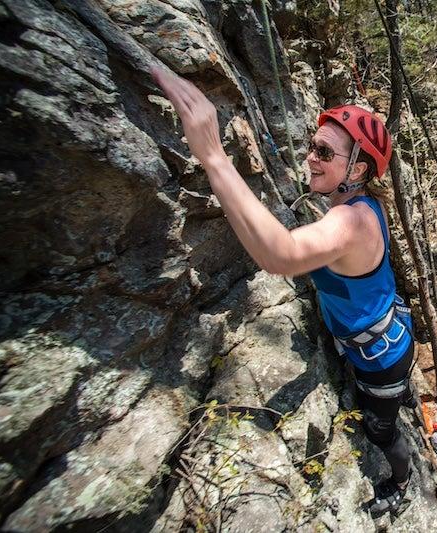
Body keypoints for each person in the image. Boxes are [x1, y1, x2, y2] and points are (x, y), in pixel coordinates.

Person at [151, 67, 414, 516]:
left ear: (359, 168)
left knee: (380, 432)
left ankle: (403, 482)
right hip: (378, 335)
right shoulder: (357, 205)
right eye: (313, 146)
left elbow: (284, 255)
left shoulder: (352, 221)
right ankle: (398, 393)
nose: (311, 157)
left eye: (324, 152)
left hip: (381, 361)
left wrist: (213, 156)